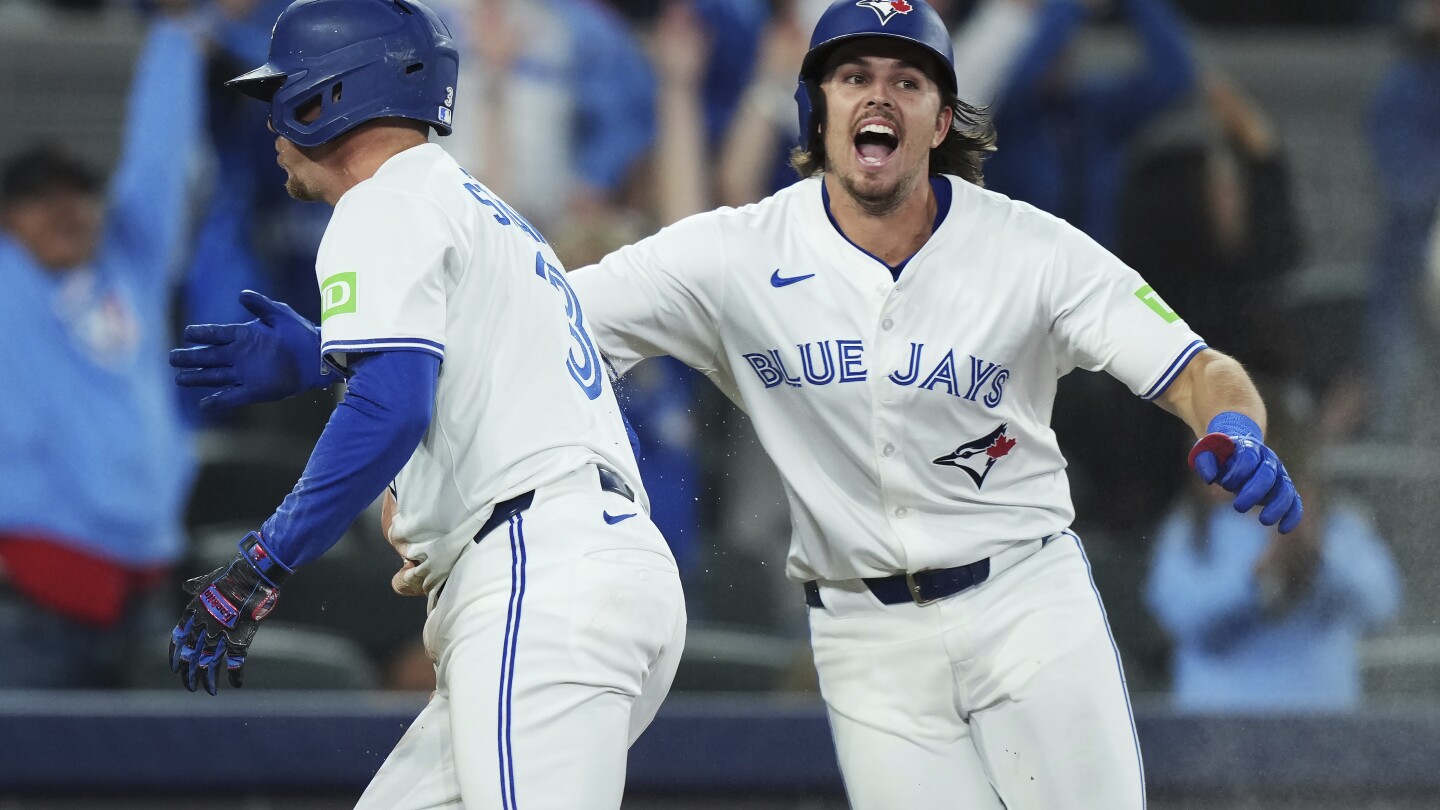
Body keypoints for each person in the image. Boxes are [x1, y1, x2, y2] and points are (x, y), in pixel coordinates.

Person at [172, 1, 1302, 806]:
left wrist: (1234, 421)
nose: (879, 95)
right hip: (862, 634)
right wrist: (336, 349)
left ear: (943, 118)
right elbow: (529, 313)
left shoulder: (1030, 250)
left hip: (1025, 597)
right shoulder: (733, 254)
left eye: (908, 79)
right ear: (814, 107)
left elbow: (1196, 367)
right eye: (854, 75)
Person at [165, 2, 685, 809]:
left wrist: (263, 562)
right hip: (589, 568)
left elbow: (390, 409)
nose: (268, 118)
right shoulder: (479, 210)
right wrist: (322, 353)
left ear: (327, 96)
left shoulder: (383, 203)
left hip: (538, 578)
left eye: (281, 91)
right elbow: (450, 366)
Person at [0, 8, 207, 688]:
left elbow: (159, 157)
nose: (68, 209)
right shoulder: (9, 284)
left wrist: (177, 38)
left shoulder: (129, 268)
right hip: (32, 595)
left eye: (81, 194)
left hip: (145, 591)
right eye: (40, 198)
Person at [1146, 414, 1400, 712]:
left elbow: (1384, 605)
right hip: (1219, 729)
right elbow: (1179, 617)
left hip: (1324, 729)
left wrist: (1319, 558)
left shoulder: (1335, 523)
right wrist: (1253, 580)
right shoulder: (1191, 528)